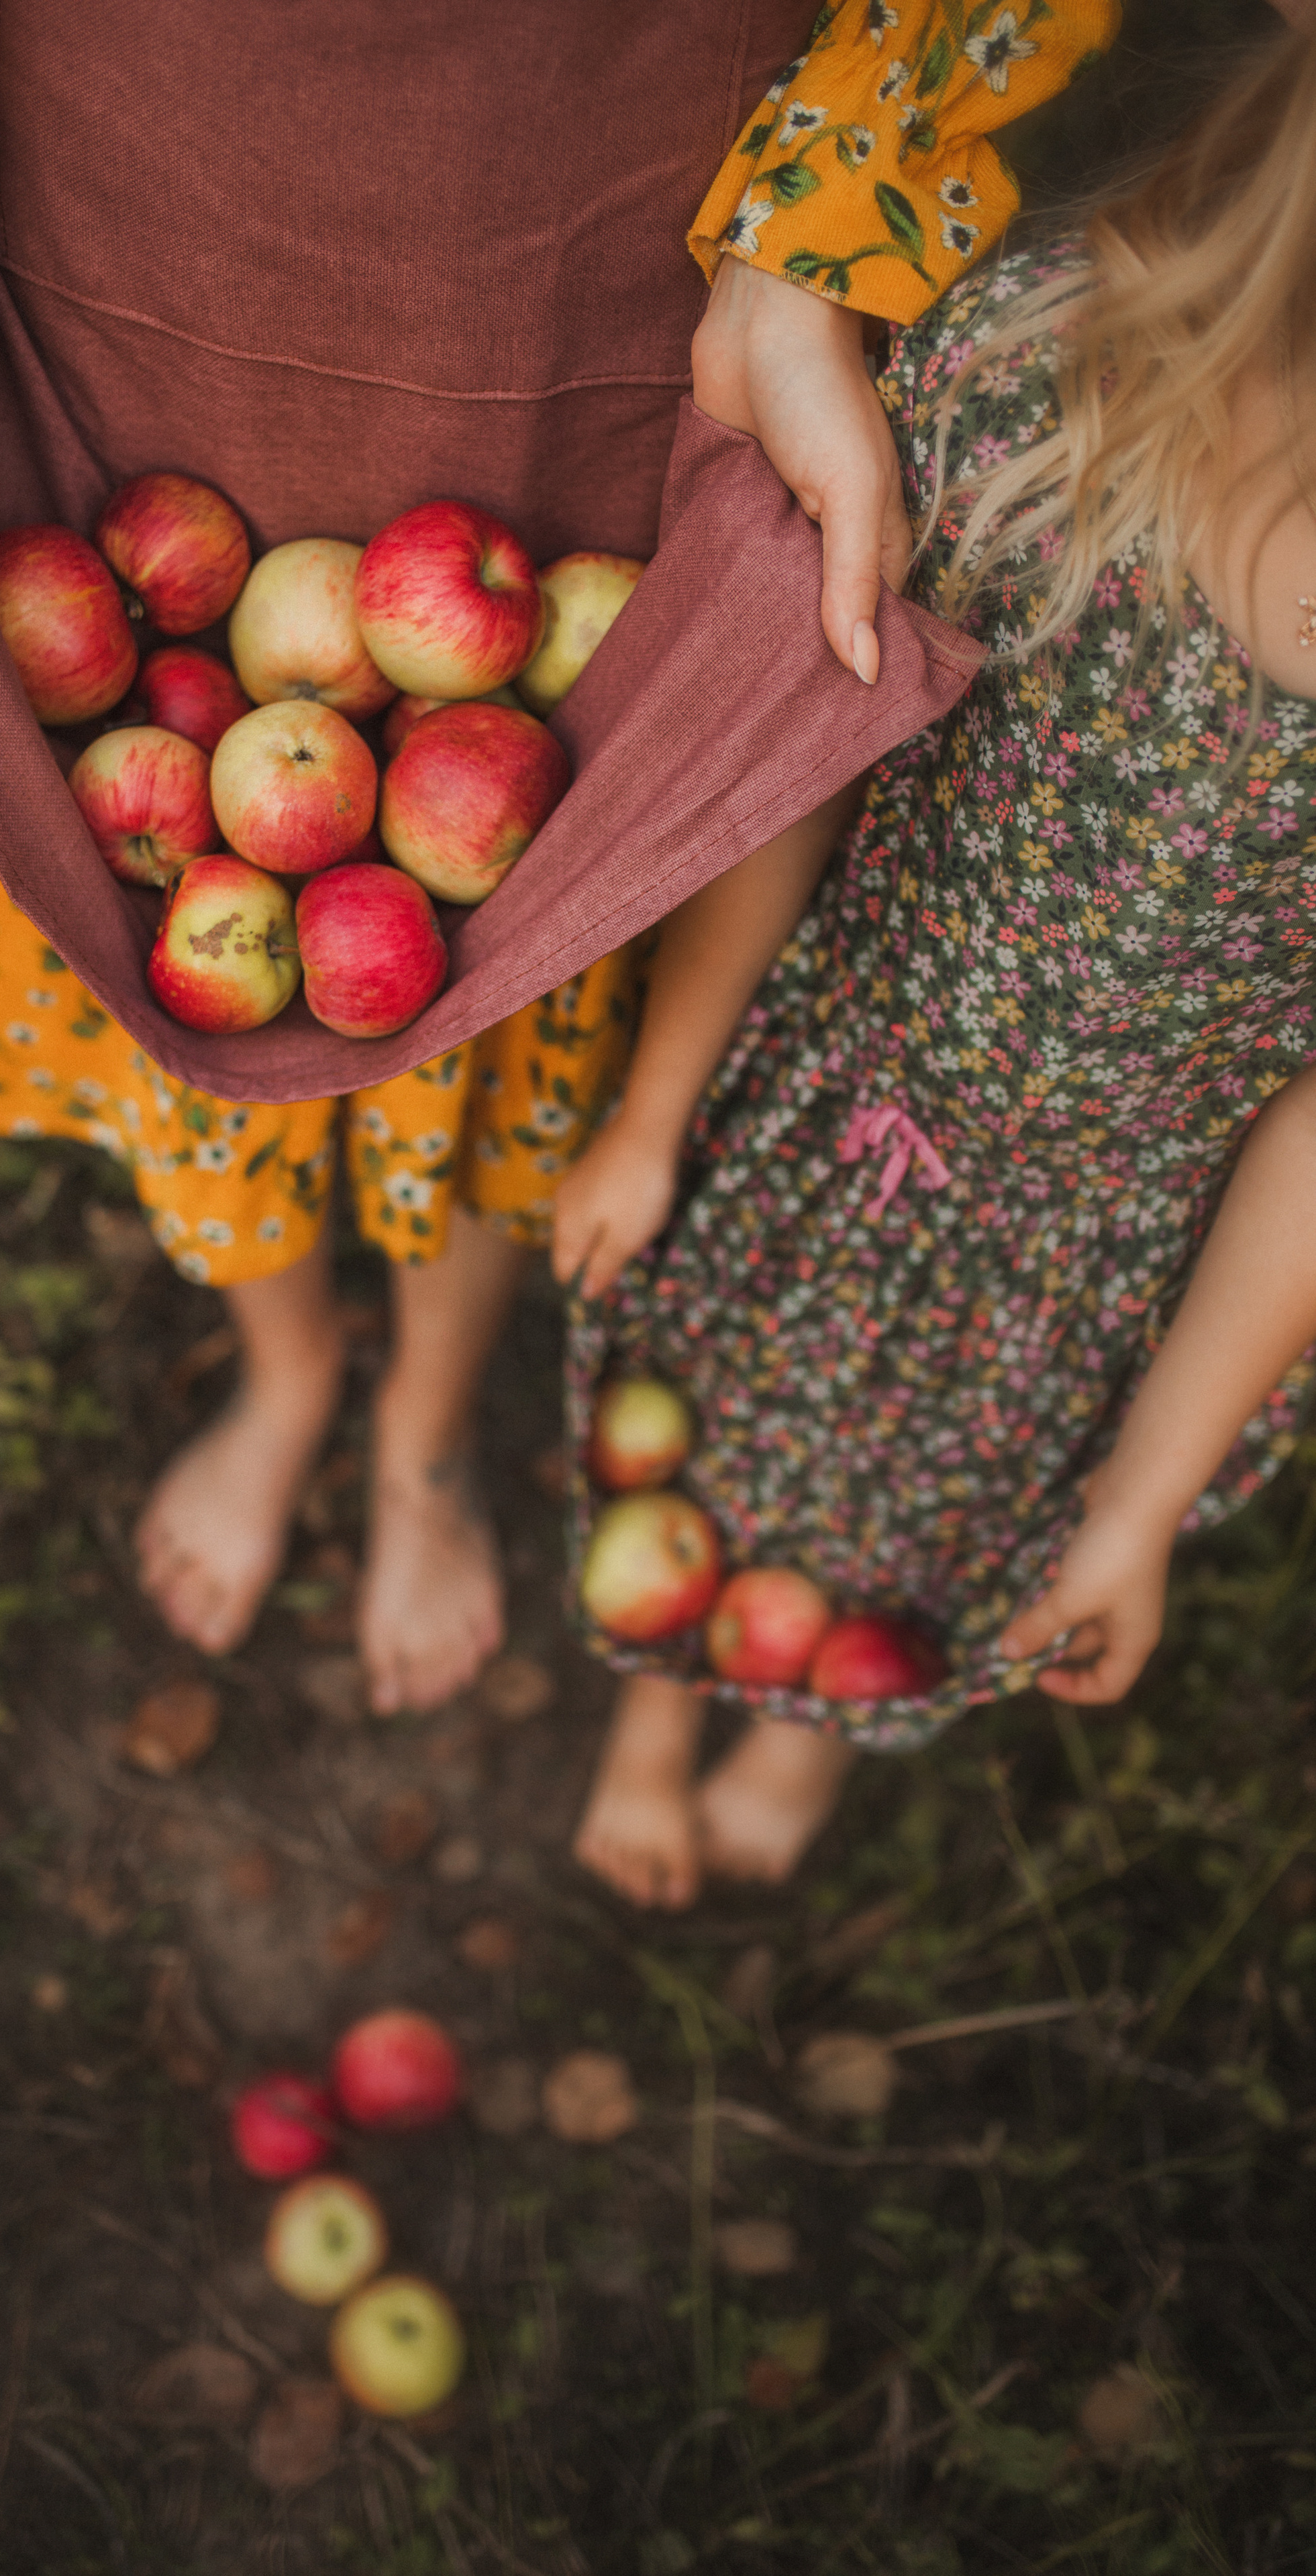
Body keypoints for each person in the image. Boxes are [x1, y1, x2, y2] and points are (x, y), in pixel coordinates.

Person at [0, 0, 1113, 1713]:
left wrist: (804, 257)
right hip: (110, 241)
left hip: (589, 273)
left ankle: (420, 1427)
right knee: (151, 962)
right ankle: (290, 1375)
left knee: (518, 970)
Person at [554, 0, 1316, 1907]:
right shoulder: (1045, 379)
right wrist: (653, 1113)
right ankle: (654, 1692)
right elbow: (811, 762)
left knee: (930, 1528)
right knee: (698, 1415)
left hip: (1097, 1251)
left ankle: (799, 1721)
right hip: (834, 1090)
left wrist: (1140, 1498)